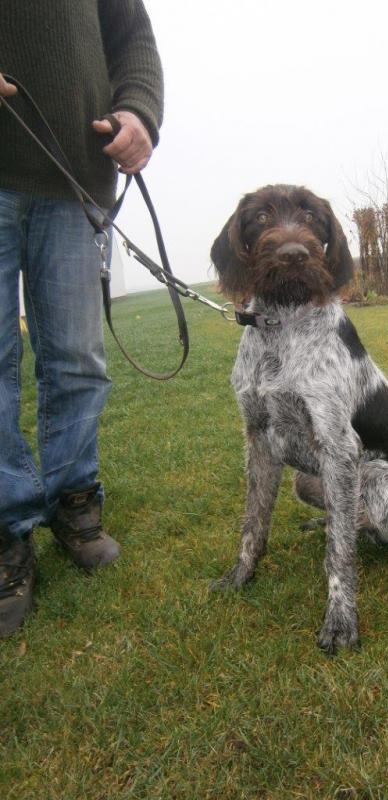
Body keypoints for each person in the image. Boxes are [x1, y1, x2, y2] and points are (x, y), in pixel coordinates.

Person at [0, 1, 164, 637]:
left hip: (75, 175)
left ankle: (74, 498)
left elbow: (133, 37)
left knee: (77, 358)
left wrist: (139, 112)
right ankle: (6, 527)